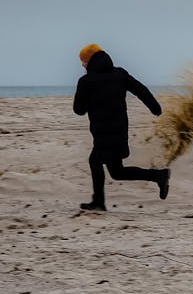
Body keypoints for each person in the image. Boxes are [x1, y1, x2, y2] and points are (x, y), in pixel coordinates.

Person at [73, 43, 170, 211]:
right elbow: (140, 90)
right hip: (119, 131)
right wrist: (155, 107)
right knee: (117, 172)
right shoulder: (119, 74)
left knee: (95, 162)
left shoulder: (86, 81)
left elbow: (78, 110)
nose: (82, 64)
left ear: (90, 60)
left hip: (103, 132)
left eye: (83, 61)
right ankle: (159, 176)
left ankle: (98, 202)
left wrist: (90, 100)